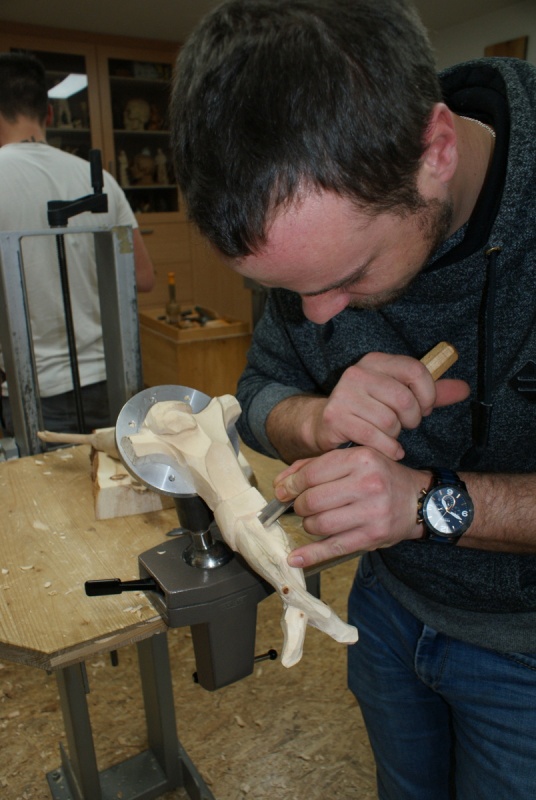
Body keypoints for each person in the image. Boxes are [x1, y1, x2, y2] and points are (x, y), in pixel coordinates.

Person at [169, 1, 536, 797]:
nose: (318, 317)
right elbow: (258, 388)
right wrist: (314, 417)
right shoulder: (312, 227)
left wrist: (424, 504)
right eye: (286, 290)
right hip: (389, 607)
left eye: (347, 277)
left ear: (437, 151)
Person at [0, 52, 155, 436]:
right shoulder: (98, 179)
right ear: (50, 113)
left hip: (34, 390)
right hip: (112, 378)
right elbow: (143, 276)